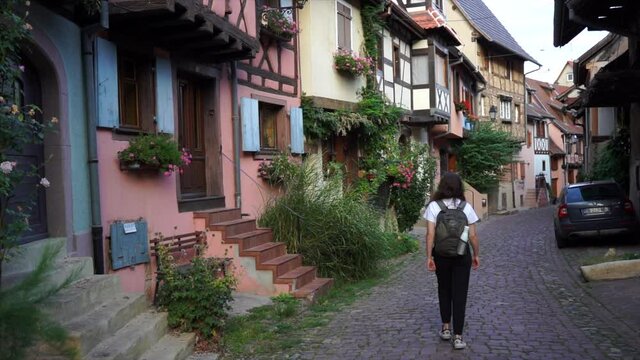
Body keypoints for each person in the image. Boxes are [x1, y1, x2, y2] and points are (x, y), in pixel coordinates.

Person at [424, 172, 480, 350]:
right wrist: (476, 255)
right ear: (459, 188)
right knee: (460, 294)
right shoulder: (466, 207)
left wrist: (429, 257)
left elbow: (430, 234)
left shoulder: (434, 206)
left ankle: (446, 328)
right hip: (462, 255)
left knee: (444, 289)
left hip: (441, 255)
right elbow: (472, 236)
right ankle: (458, 337)